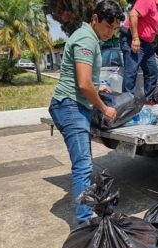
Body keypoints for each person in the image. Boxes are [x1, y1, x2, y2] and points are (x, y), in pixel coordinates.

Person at [48, 0, 123, 224]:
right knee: (83, 165)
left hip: (72, 104)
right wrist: (104, 108)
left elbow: (83, 77)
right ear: (95, 19)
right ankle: (84, 223)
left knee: (84, 162)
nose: (111, 32)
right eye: (108, 26)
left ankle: (86, 214)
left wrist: (96, 85)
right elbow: (82, 84)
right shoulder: (86, 39)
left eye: (115, 28)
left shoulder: (88, 36)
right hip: (70, 106)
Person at [120, 0, 158, 101]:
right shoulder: (148, 1)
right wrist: (135, 38)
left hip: (146, 43)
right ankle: (127, 104)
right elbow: (133, 15)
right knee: (131, 72)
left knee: (152, 72)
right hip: (131, 37)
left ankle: (148, 101)